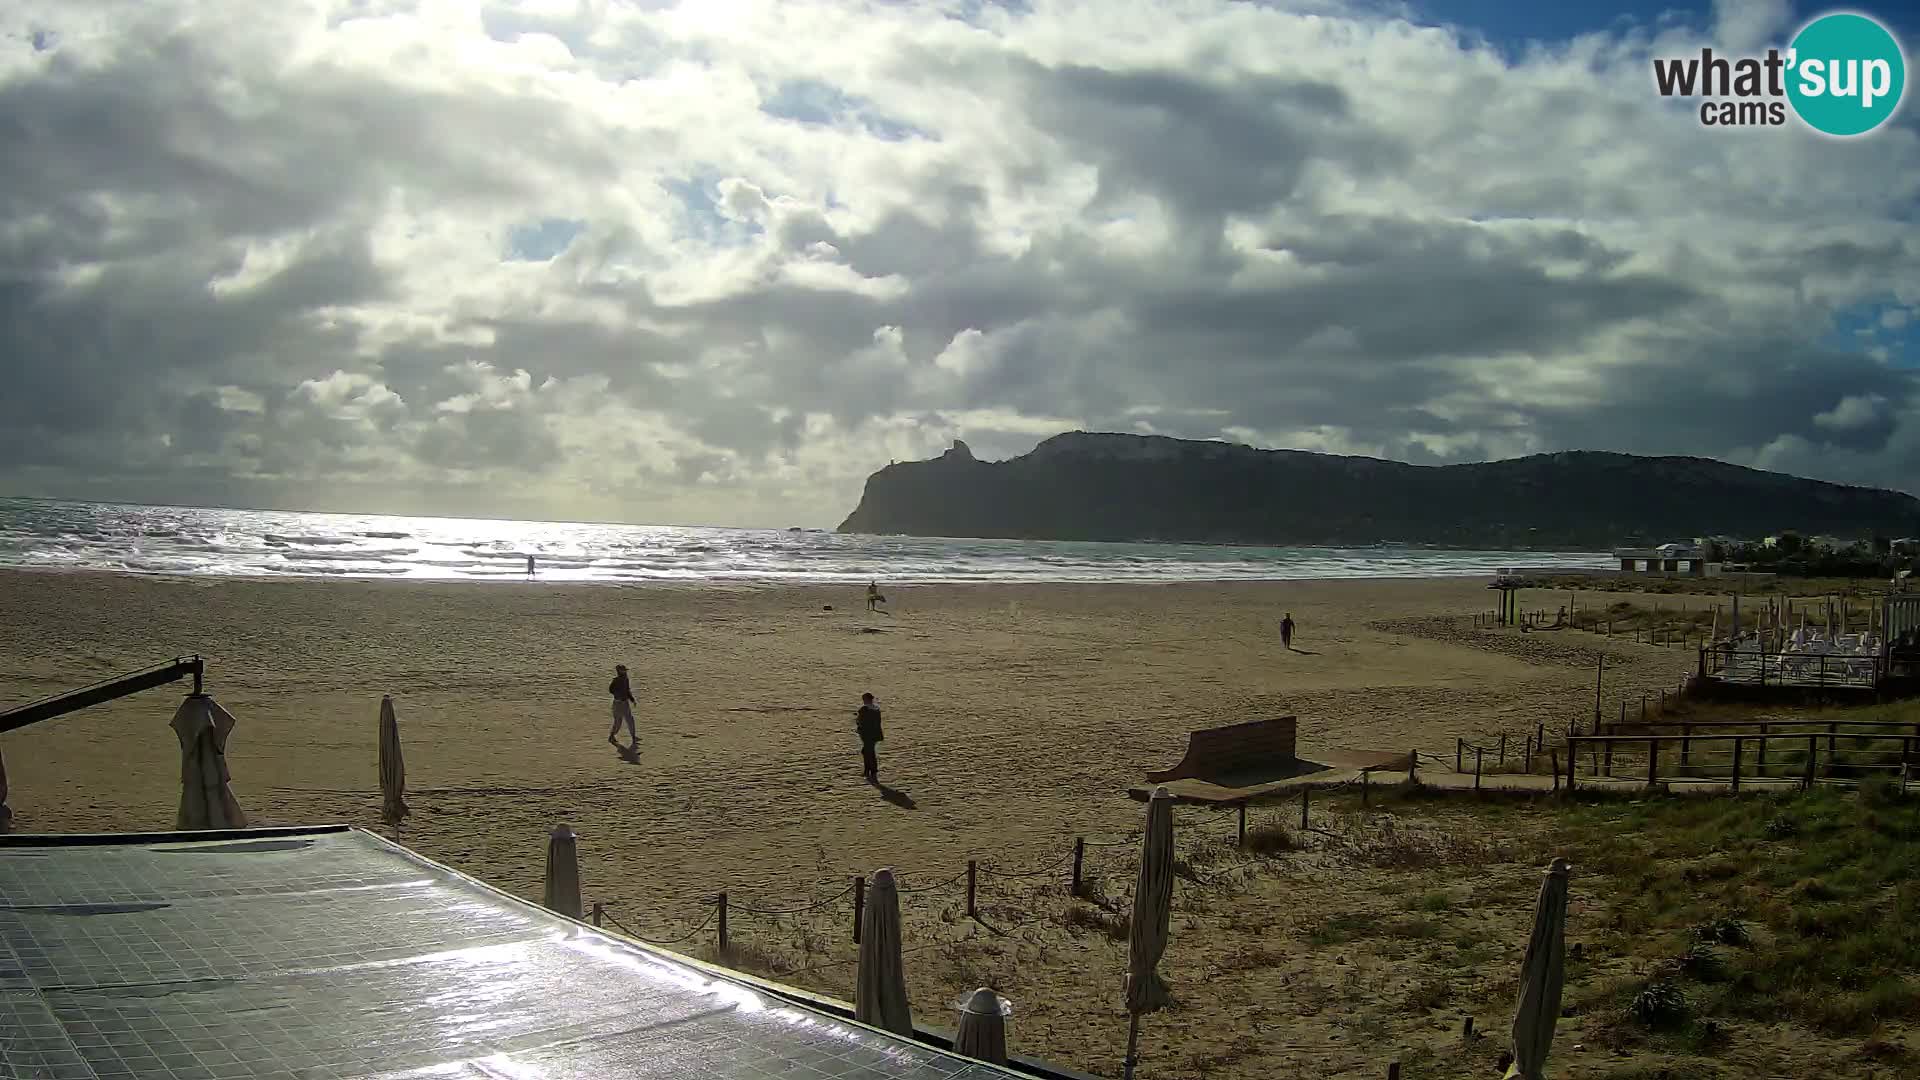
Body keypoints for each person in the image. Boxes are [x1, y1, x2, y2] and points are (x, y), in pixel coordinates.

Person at [608, 664, 637, 751]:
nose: (625, 672)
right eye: (623, 670)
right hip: (618, 703)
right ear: (619, 671)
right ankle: (612, 736)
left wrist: (632, 699)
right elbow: (611, 690)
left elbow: (628, 690)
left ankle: (633, 736)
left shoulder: (626, 679)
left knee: (630, 719)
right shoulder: (616, 680)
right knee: (618, 722)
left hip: (625, 703)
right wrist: (618, 694)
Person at [856, 692, 884, 784]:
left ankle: (870, 771)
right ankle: (869, 770)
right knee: (868, 751)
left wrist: (859, 728)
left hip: (867, 734)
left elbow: (860, 722)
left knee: (868, 752)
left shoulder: (864, 709)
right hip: (875, 734)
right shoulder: (876, 708)